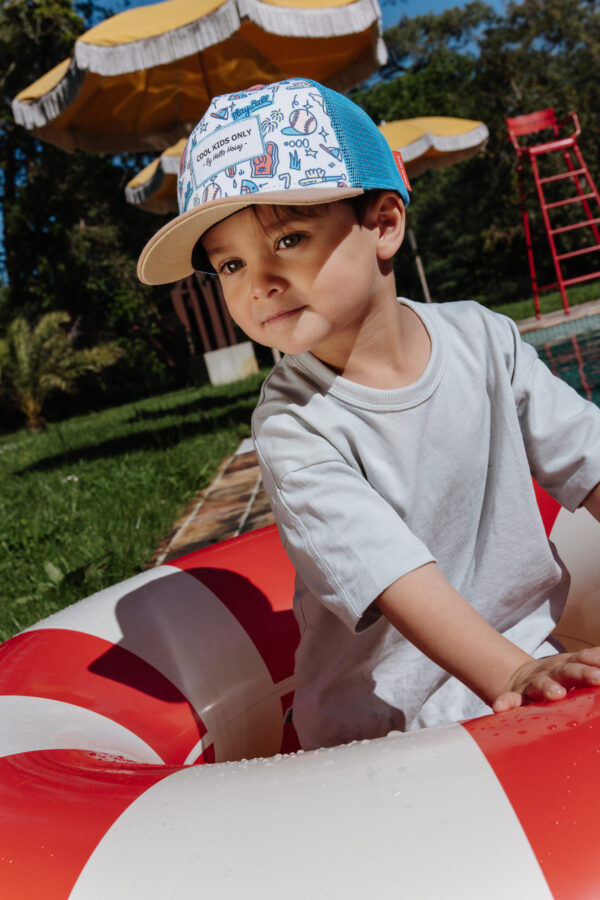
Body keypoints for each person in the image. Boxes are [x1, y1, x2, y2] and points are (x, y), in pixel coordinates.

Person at [138, 78, 600, 750]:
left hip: (534, 656)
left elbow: (588, 459)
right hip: (385, 733)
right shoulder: (294, 423)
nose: (258, 282)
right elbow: (394, 574)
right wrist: (515, 672)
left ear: (383, 224)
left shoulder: (484, 339)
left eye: (288, 239)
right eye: (231, 264)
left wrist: (531, 664)